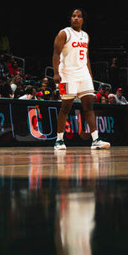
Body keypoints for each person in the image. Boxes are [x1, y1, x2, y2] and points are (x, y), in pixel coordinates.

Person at [51, 9, 108, 150]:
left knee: (89, 107)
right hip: (67, 75)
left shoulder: (85, 36)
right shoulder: (64, 33)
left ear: (83, 20)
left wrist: (90, 75)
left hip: (83, 74)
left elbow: (87, 57)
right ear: (70, 19)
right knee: (65, 108)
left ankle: (95, 140)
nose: (76, 18)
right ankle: (59, 140)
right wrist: (56, 73)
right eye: (73, 16)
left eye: (79, 16)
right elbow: (56, 54)